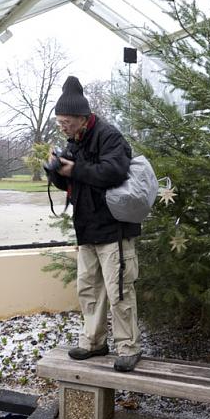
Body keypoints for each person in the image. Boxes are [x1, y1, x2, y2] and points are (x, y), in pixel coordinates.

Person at [47, 75, 142, 372]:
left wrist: (76, 167)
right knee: (88, 288)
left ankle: (128, 347)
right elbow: (72, 185)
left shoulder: (108, 135)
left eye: (66, 121)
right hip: (87, 229)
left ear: (81, 116)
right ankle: (94, 341)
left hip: (114, 229)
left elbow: (114, 172)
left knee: (119, 291)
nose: (62, 126)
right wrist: (56, 172)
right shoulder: (73, 141)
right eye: (59, 122)